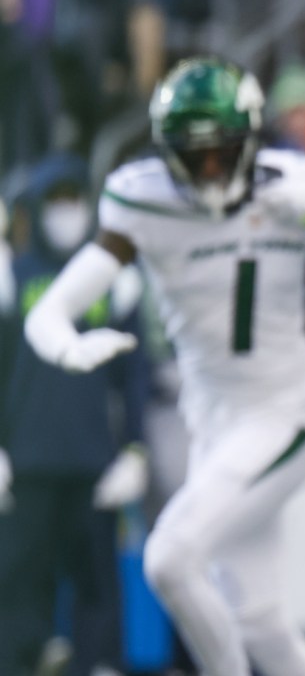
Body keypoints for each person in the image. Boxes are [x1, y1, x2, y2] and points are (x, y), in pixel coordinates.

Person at [23, 57, 305, 676]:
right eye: (192, 151)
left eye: (219, 150)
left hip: (285, 412)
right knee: (261, 626)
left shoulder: (293, 190)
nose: (207, 166)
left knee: (169, 559)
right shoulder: (141, 198)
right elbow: (50, 310)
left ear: (249, 141)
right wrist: (66, 344)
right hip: (212, 423)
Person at [0, 153, 149, 676]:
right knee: (20, 582)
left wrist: (134, 450)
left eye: (72, 199)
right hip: (27, 465)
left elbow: (134, 375)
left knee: (98, 583)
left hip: (94, 463)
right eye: (54, 200)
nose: (65, 211)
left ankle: (101, 663)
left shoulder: (113, 280)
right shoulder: (10, 276)